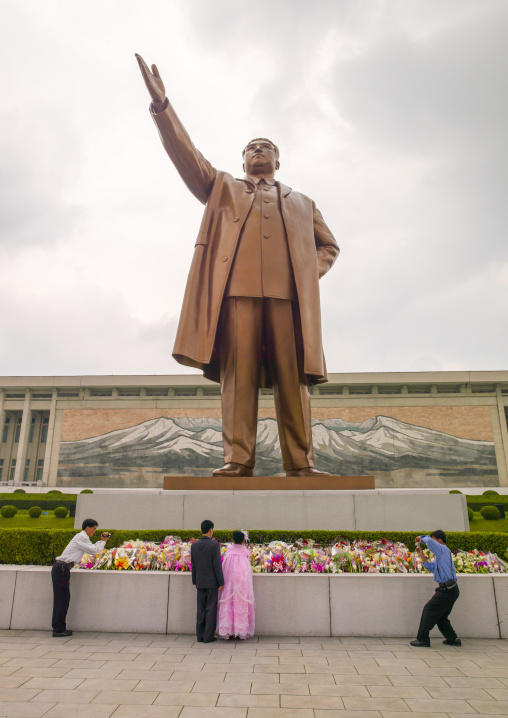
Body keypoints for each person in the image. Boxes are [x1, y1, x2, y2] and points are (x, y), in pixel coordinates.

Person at [135, 55, 340, 478]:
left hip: (288, 299)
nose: (258, 150)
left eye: (266, 147)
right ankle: (238, 459)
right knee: (238, 379)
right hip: (236, 295)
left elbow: (329, 246)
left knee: (292, 379)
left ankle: (301, 464)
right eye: (251, 148)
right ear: (243, 160)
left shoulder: (303, 202)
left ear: (278, 162)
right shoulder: (222, 187)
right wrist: (163, 107)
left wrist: (307, 272)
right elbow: (188, 158)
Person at [51, 518, 110, 637]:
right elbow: (93, 551)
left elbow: (92, 548)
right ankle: (58, 629)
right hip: (62, 569)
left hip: (62, 569)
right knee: (62, 600)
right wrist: (103, 541)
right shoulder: (82, 537)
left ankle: (60, 628)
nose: (94, 531)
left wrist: (101, 541)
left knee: (63, 599)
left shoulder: (82, 537)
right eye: (93, 529)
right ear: (87, 528)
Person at [411, 530, 461, 647]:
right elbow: (430, 568)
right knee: (441, 616)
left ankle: (423, 639)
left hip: (447, 590)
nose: (432, 544)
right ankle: (453, 639)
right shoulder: (440, 557)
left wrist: (421, 537)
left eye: (434, 540)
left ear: (439, 541)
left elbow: (428, 540)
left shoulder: (443, 550)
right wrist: (422, 555)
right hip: (450, 589)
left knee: (429, 610)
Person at [190, 519, 225, 643]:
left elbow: (193, 565)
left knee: (200, 609)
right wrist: (221, 582)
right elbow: (217, 565)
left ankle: (200, 636)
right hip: (211, 583)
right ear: (211, 530)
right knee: (210, 609)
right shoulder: (214, 545)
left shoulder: (194, 545)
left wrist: (194, 581)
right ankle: (208, 636)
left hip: (199, 581)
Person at [217, 531, 255, 640]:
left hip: (229, 581)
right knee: (240, 604)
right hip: (242, 582)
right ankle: (240, 630)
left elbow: (224, 567)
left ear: (232, 540)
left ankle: (228, 630)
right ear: (244, 540)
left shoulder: (229, 551)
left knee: (229, 604)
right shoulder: (246, 552)